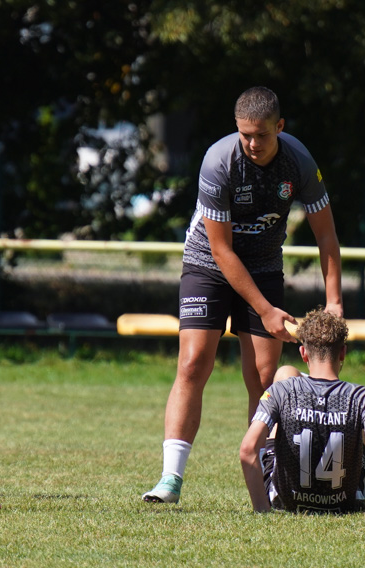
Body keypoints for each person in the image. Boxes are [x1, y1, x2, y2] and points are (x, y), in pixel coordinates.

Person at [142, 87, 343, 503]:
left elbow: (326, 236)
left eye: (262, 136)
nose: (252, 144)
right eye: (245, 135)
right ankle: (170, 480)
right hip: (208, 265)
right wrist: (265, 310)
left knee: (265, 377)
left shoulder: (299, 161)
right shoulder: (219, 161)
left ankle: (269, 480)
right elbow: (221, 250)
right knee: (194, 362)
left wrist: (335, 301)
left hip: (264, 266)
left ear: (280, 128)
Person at [239, 308, 365, 516]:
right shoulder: (362, 396)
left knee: (284, 376)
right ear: (342, 352)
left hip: (284, 500)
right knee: (363, 420)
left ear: (303, 353)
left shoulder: (280, 390)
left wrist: (262, 510)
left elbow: (247, 450)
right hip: (345, 502)